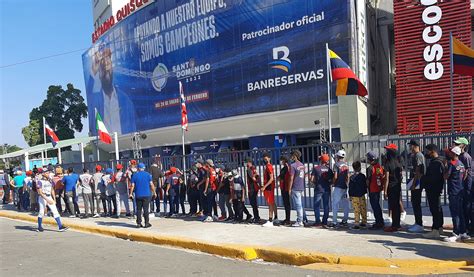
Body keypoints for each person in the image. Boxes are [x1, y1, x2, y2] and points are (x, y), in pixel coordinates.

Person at [444, 146, 469, 242]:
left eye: (450, 152)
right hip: (460, 190)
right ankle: (463, 232)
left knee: (455, 212)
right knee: (460, 212)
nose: (448, 154)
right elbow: (465, 175)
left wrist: (445, 167)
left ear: (454, 154)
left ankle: (456, 233)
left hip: (454, 191)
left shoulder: (452, 163)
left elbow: (446, 176)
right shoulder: (461, 164)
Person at [422, 144, 446, 239]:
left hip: (433, 189)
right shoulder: (439, 161)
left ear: (432, 151)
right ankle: (439, 227)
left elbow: (433, 178)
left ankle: (435, 229)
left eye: (427, 151)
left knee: (435, 209)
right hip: (436, 189)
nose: (426, 153)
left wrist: (423, 179)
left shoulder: (436, 163)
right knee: (438, 208)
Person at [454, 137, 473, 236]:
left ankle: (470, 228)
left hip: (466, 186)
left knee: (467, 207)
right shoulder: (459, 156)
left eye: (458, 144)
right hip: (462, 186)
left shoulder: (466, 157)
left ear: (464, 145)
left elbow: (466, 172)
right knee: (462, 207)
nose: (456, 145)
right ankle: (464, 227)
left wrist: (463, 183)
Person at [383, 144, 403, 232]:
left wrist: (385, 191)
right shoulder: (398, 162)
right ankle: (397, 224)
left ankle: (394, 226)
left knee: (393, 206)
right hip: (397, 186)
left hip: (391, 187)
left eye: (387, 150)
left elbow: (386, 178)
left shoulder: (388, 163)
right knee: (397, 206)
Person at [407, 139, 426, 233]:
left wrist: (414, 183)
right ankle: (417, 222)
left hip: (417, 181)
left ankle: (419, 224)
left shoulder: (418, 155)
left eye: (410, 146)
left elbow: (418, 170)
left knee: (416, 202)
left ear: (414, 146)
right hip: (414, 181)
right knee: (414, 201)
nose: (409, 147)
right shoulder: (415, 155)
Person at [130, 163, 156, 228]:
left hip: (138, 194)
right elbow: (151, 184)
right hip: (147, 194)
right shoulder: (148, 175)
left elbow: (132, 185)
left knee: (138, 209)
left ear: (138, 168)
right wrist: (154, 192)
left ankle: (139, 223)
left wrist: (130, 193)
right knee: (146, 209)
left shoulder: (135, 175)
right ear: (144, 168)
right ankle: (146, 223)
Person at [311, 154, 333, 227]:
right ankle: (325, 221)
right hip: (326, 189)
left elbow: (312, 179)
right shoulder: (329, 169)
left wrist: (315, 183)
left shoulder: (316, 168)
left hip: (318, 188)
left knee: (316, 206)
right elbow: (332, 180)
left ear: (321, 160)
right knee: (326, 205)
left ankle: (318, 221)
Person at [330, 150, 350, 228]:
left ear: (338, 156)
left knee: (335, 204)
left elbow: (335, 176)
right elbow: (347, 176)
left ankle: (334, 222)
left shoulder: (336, 165)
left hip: (338, 186)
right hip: (345, 187)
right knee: (345, 205)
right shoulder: (346, 165)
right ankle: (345, 220)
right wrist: (347, 184)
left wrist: (333, 183)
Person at [366, 151, 385, 230]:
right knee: (377, 205)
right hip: (378, 188)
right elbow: (380, 176)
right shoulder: (378, 167)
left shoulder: (369, 168)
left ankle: (378, 223)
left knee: (375, 206)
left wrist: (367, 187)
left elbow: (368, 180)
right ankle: (380, 221)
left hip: (372, 189)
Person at [288, 150, 306, 227]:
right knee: (300, 204)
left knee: (298, 205)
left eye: (291, 156)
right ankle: (304, 219)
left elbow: (291, 178)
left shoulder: (293, 166)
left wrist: (289, 189)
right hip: (301, 186)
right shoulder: (302, 165)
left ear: (294, 156)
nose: (291, 157)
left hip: (295, 187)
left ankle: (299, 221)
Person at [348, 161, 367, 229]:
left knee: (356, 209)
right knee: (363, 208)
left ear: (353, 168)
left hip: (354, 195)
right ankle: (364, 221)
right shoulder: (363, 176)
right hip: (361, 194)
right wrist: (365, 191)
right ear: (360, 168)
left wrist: (350, 195)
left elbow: (350, 187)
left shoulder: (352, 177)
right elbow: (365, 185)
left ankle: (357, 223)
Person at [261, 153, 277, 227]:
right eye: (264, 159)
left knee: (270, 203)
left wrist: (264, 186)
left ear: (269, 158)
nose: (265, 160)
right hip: (270, 187)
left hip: (269, 188)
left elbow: (271, 178)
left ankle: (270, 220)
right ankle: (276, 218)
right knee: (272, 202)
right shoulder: (268, 166)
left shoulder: (268, 166)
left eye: (266, 158)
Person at [245, 158, 260, 223]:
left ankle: (256, 217)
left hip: (252, 188)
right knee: (254, 203)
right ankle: (257, 217)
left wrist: (255, 177)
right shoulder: (254, 168)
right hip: (254, 188)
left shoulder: (249, 170)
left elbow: (253, 178)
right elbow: (257, 176)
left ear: (249, 162)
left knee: (253, 203)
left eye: (246, 162)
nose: (246, 164)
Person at [278, 156, 292, 226]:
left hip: (285, 188)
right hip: (284, 187)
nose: (280, 162)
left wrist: (279, 178)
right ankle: (287, 219)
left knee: (287, 204)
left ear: (284, 160)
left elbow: (282, 177)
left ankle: (288, 219)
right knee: (286, 204)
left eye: (281, 160)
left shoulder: (286, 168)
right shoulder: (285, 167)